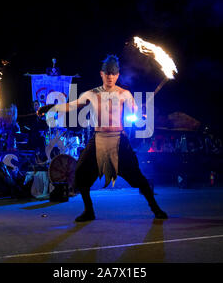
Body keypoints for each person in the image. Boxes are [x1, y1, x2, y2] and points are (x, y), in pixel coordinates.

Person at [38, 55, 167, 221]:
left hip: (119, 140)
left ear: (117, 75)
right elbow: (71, 106)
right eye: (107, 73)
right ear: (101, 74)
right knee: (80, 172)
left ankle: (155, 208)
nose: (110, 76)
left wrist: (140, 112)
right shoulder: (91, 94)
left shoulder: (124, 94)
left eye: (113, 73)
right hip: (97, 139)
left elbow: (135, 113)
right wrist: (51, 107)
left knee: (138, 178)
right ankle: (89, 211)